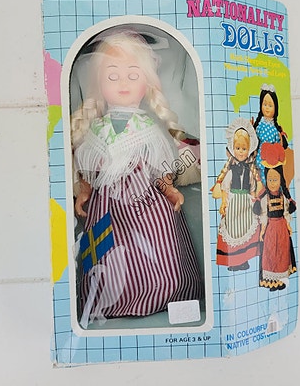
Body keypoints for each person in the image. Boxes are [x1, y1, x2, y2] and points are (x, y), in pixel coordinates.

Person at [70, 29, 203, 325]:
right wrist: (84, 191)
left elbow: (159, 164)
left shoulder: (147, 127)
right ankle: (108, 299)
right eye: (112, 76)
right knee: (105, 253)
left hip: (146, 203)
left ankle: (163, 294)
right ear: (99, 81)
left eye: (133, 75)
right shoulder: (97, 128)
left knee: (158, 246)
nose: (123, 84)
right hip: (106, 207)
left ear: (146, 81)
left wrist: (168, 188)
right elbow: (89, 166)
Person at [214, 118, 261, 271]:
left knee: (246, 229)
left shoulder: (250, 170)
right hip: (233, 202)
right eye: (238, 148)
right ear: (233, 149)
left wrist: (254, 199)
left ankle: (244, 260)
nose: (241, 151)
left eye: (244, 148)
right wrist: (224, 202)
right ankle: (234, 261)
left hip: (246, 203)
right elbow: (225, 188)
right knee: (232, 230)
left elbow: (253, 187)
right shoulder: (231, 170)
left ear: (249, 149)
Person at [254, 143, 297, 291]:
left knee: (282, 254)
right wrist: (262, 230)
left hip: (282, 228)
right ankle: (272, 281)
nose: (273, 183)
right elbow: (264, 215)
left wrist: (288, 225)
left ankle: (281, 280)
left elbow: (285, 212)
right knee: (271, 253)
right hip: (271, 229)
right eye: (270, 179)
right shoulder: (265, 198)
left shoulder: (283, 197)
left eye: (275, 179)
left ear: (280, 181)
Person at [253, 84, 288, 185]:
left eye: (270, 105)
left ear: (275, 107)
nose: (267, 108)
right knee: (260, 184)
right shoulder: (259, 126)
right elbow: (254, 143)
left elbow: (281, 146)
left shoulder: (277, 129)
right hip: (259, 160)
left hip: (273, 162)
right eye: (265, 104)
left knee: (272, 183)